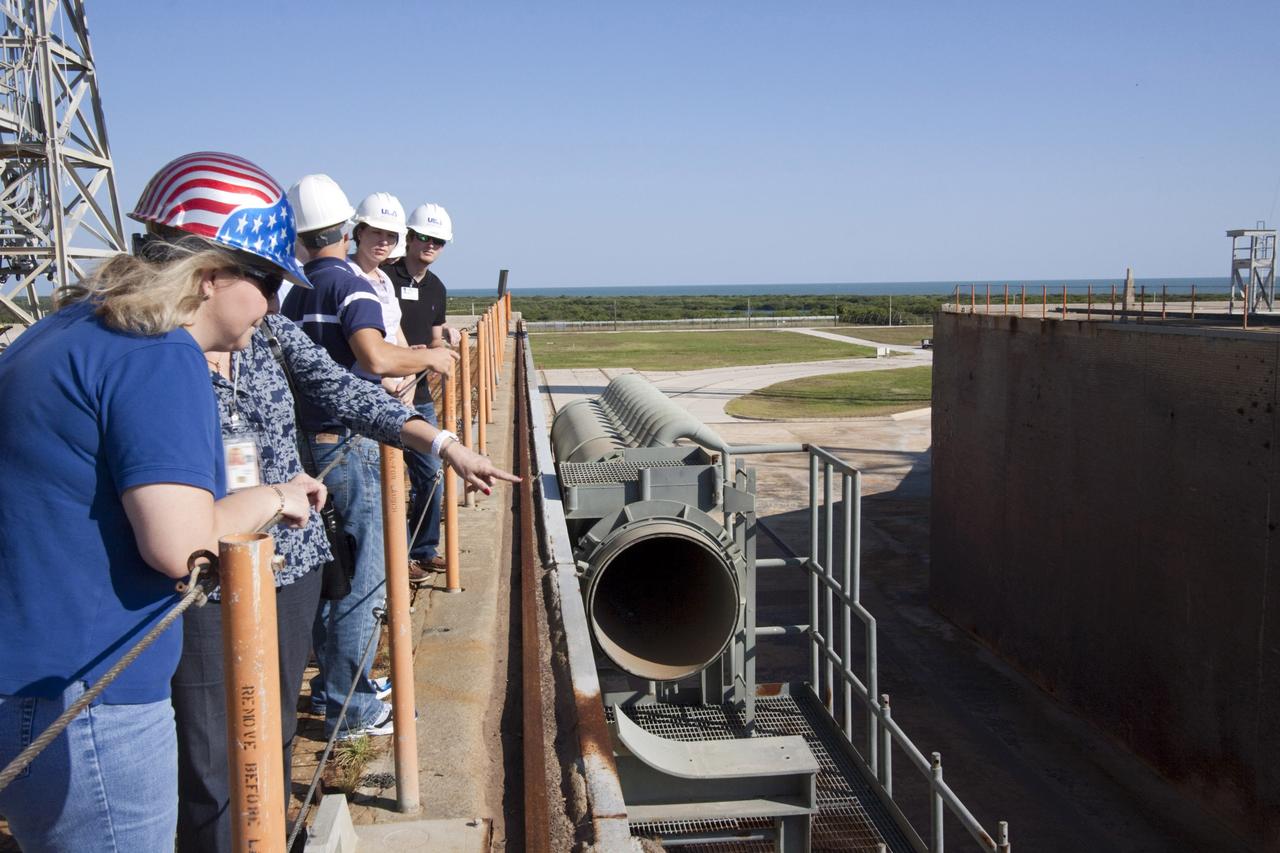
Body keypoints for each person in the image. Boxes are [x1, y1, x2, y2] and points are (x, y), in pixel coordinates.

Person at [0, 151, 321, 851]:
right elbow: (182, 543)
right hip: (91, 696)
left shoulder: (66, 329)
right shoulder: (158, 352)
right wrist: (278, 495)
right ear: (210, 276)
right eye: (266, 280)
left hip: (32, 680)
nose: (272, 307)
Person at [174, 307, 517, 852]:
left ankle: (266, 835)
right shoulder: (154, 350)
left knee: (277, 723)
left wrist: (445, 445)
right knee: (212, 749)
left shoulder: (268, 334)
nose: (269, 295)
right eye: (259, 278)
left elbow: (348, 392)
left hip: (288, 561)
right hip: (197, 579)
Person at [281, 175, 467, 740]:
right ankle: (351, 705)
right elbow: (375, 357)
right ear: (347, 230)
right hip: (349, 439)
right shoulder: (351, 285)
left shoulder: (292, 290)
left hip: (305, 447)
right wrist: (432, 357)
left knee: (326, 569)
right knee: (364, 577)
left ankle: (335, 683)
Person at [384, 203, 456, 584]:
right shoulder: (382, 277)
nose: (430, 245)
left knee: (430, 474)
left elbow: (433, 337)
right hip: (380, 391)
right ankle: (392, 558)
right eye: (424, 237)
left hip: (419, 393)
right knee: (382, 481)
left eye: (438, 241)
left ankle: (422, 551)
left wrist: (443, 342)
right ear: (408, 237)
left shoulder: (436, 288)